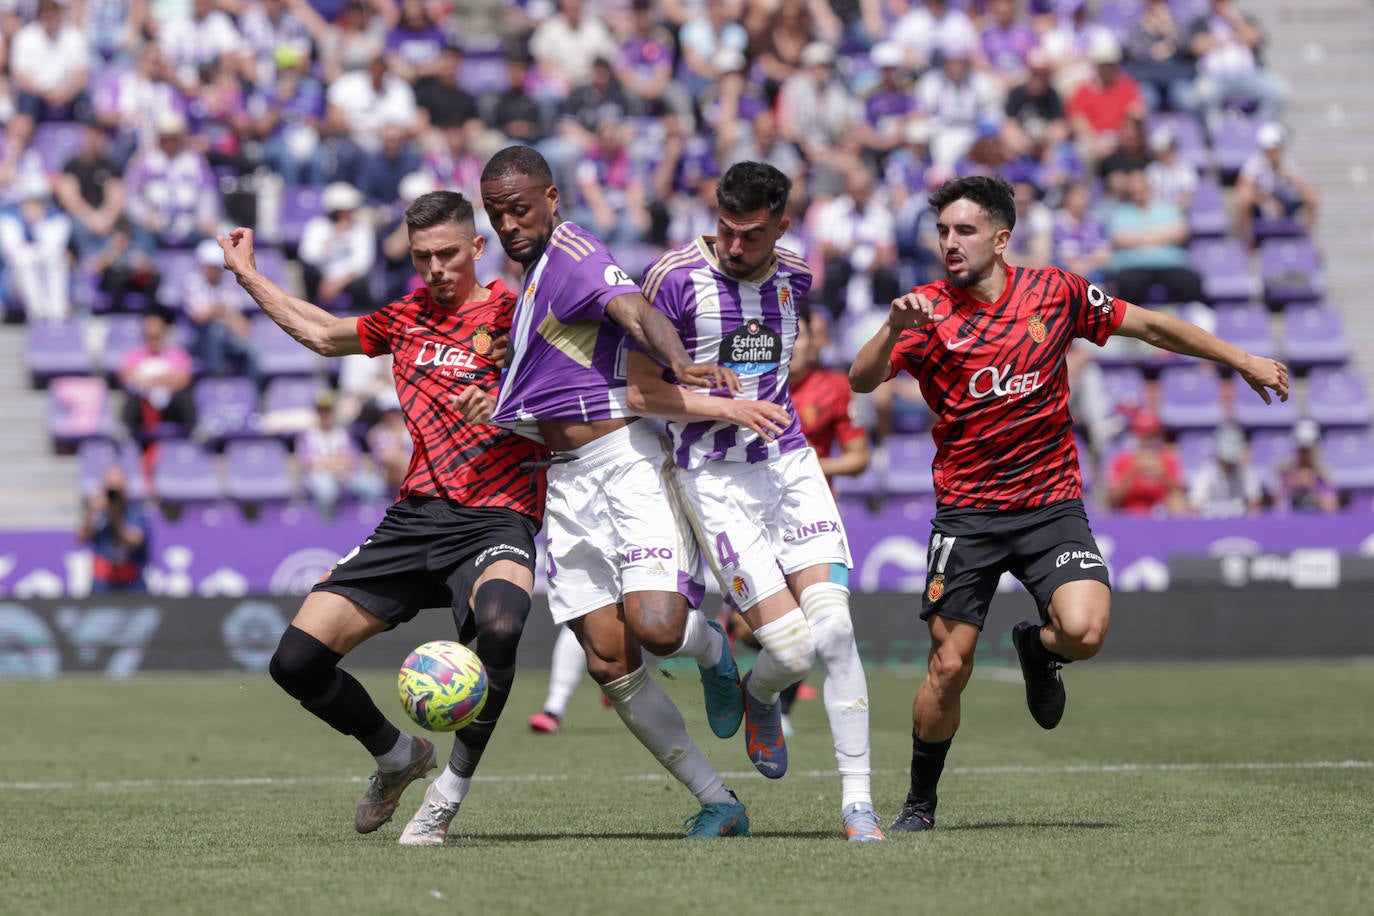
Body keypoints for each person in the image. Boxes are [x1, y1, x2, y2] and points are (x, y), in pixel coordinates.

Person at [847, 175, 1288, 833]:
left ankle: (1037, 647)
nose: (949, 243)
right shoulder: (925, 311)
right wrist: (890, 328)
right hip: (967, 514)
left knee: (1084, 632)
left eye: (964, 231)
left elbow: (1153, 327)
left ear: (1001, 238)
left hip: (1051, 506)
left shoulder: (1055, 292)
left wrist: (1241, 357)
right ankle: (919, 803)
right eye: (942, 232)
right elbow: (860, 380)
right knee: (949, 665)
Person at [219, 189, 551, 846]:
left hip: (494, 519)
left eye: (448, 255)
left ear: (478, 248)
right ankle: (397, 756)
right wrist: (248, 274)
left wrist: (510, 406)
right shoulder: (405, 317)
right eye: (423, 256)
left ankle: (447, 794)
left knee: (502, 628)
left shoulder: (521, 318)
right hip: (413, 520)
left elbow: (572, 407)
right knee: (295, 663)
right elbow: (319, 333)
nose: (435, 268)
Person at [478, 145, 754, 839]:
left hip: (625, 461)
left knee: (658, 626)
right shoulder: (535, 280)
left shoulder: (573, 252)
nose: (509, 224)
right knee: (609, 659)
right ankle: (718, 801)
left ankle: (717, 653)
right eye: (497, 214)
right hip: (564, 483)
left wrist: (679, 360)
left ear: (551, 199)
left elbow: (633, 311)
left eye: (519, 208)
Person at [626, 161, 885, 842]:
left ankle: (858, 805)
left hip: (790, 465)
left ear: (781, 225)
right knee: (794, 650)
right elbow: (638, 392)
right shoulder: (674, 279)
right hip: (712, 478)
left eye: (750, 234)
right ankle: (760, 690)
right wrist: (727, 408)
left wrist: (753, 409)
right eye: (725, 231)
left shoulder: (797, 275)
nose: (734, 246)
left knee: (835, 631)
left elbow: (770, 366)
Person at [79, 466, 151, 594]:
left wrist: (116, 520)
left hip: (130, 581)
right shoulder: (100, 512)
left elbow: (135, 540)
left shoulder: (134, 512)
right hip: (102, 581)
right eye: (110, 490)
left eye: (117, 490)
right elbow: (81, 537)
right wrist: (91, 513)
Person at [1105, 409, 1189, 515]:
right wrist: (1133, 470)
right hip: (1129, 516)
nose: (1148, 441)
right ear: (1136, 436)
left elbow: (1180, 495)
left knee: (1177, 501)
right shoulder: (1122, 460)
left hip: (1161, 516)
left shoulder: (1168, 460)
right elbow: (1112, 500)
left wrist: (1162, 475)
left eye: (1152, 435)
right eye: (1144, 436)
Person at [1187, 423, 1264, 517]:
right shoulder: (1205, 474)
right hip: (1211, 526)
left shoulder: (1247, 473)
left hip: (1240, 527)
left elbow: (1254, 505)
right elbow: (1195, 508)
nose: (1229, 463)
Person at [1272, 418, 1339, 513]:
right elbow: (1277, 508)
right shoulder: (1283, 470)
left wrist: (1313, 487)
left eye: (1308, 449)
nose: (1304, 454)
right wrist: (1289, 486)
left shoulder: (1324, 473)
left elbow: (1332, 509)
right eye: (1301, 449)